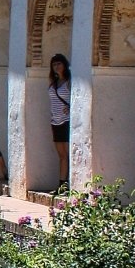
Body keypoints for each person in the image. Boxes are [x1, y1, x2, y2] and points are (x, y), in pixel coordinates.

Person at [47, 54, 72, 192]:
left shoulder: (69, 81)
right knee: (61, 155)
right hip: (55, 121)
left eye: (59, 64)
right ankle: (61, 185)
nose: (56, 67)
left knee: (68, 153)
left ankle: (67, 184)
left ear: (64, 65)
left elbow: (78, 97)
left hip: (66, 120)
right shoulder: (53, 83)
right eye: (54, 64)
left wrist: (71, 106)